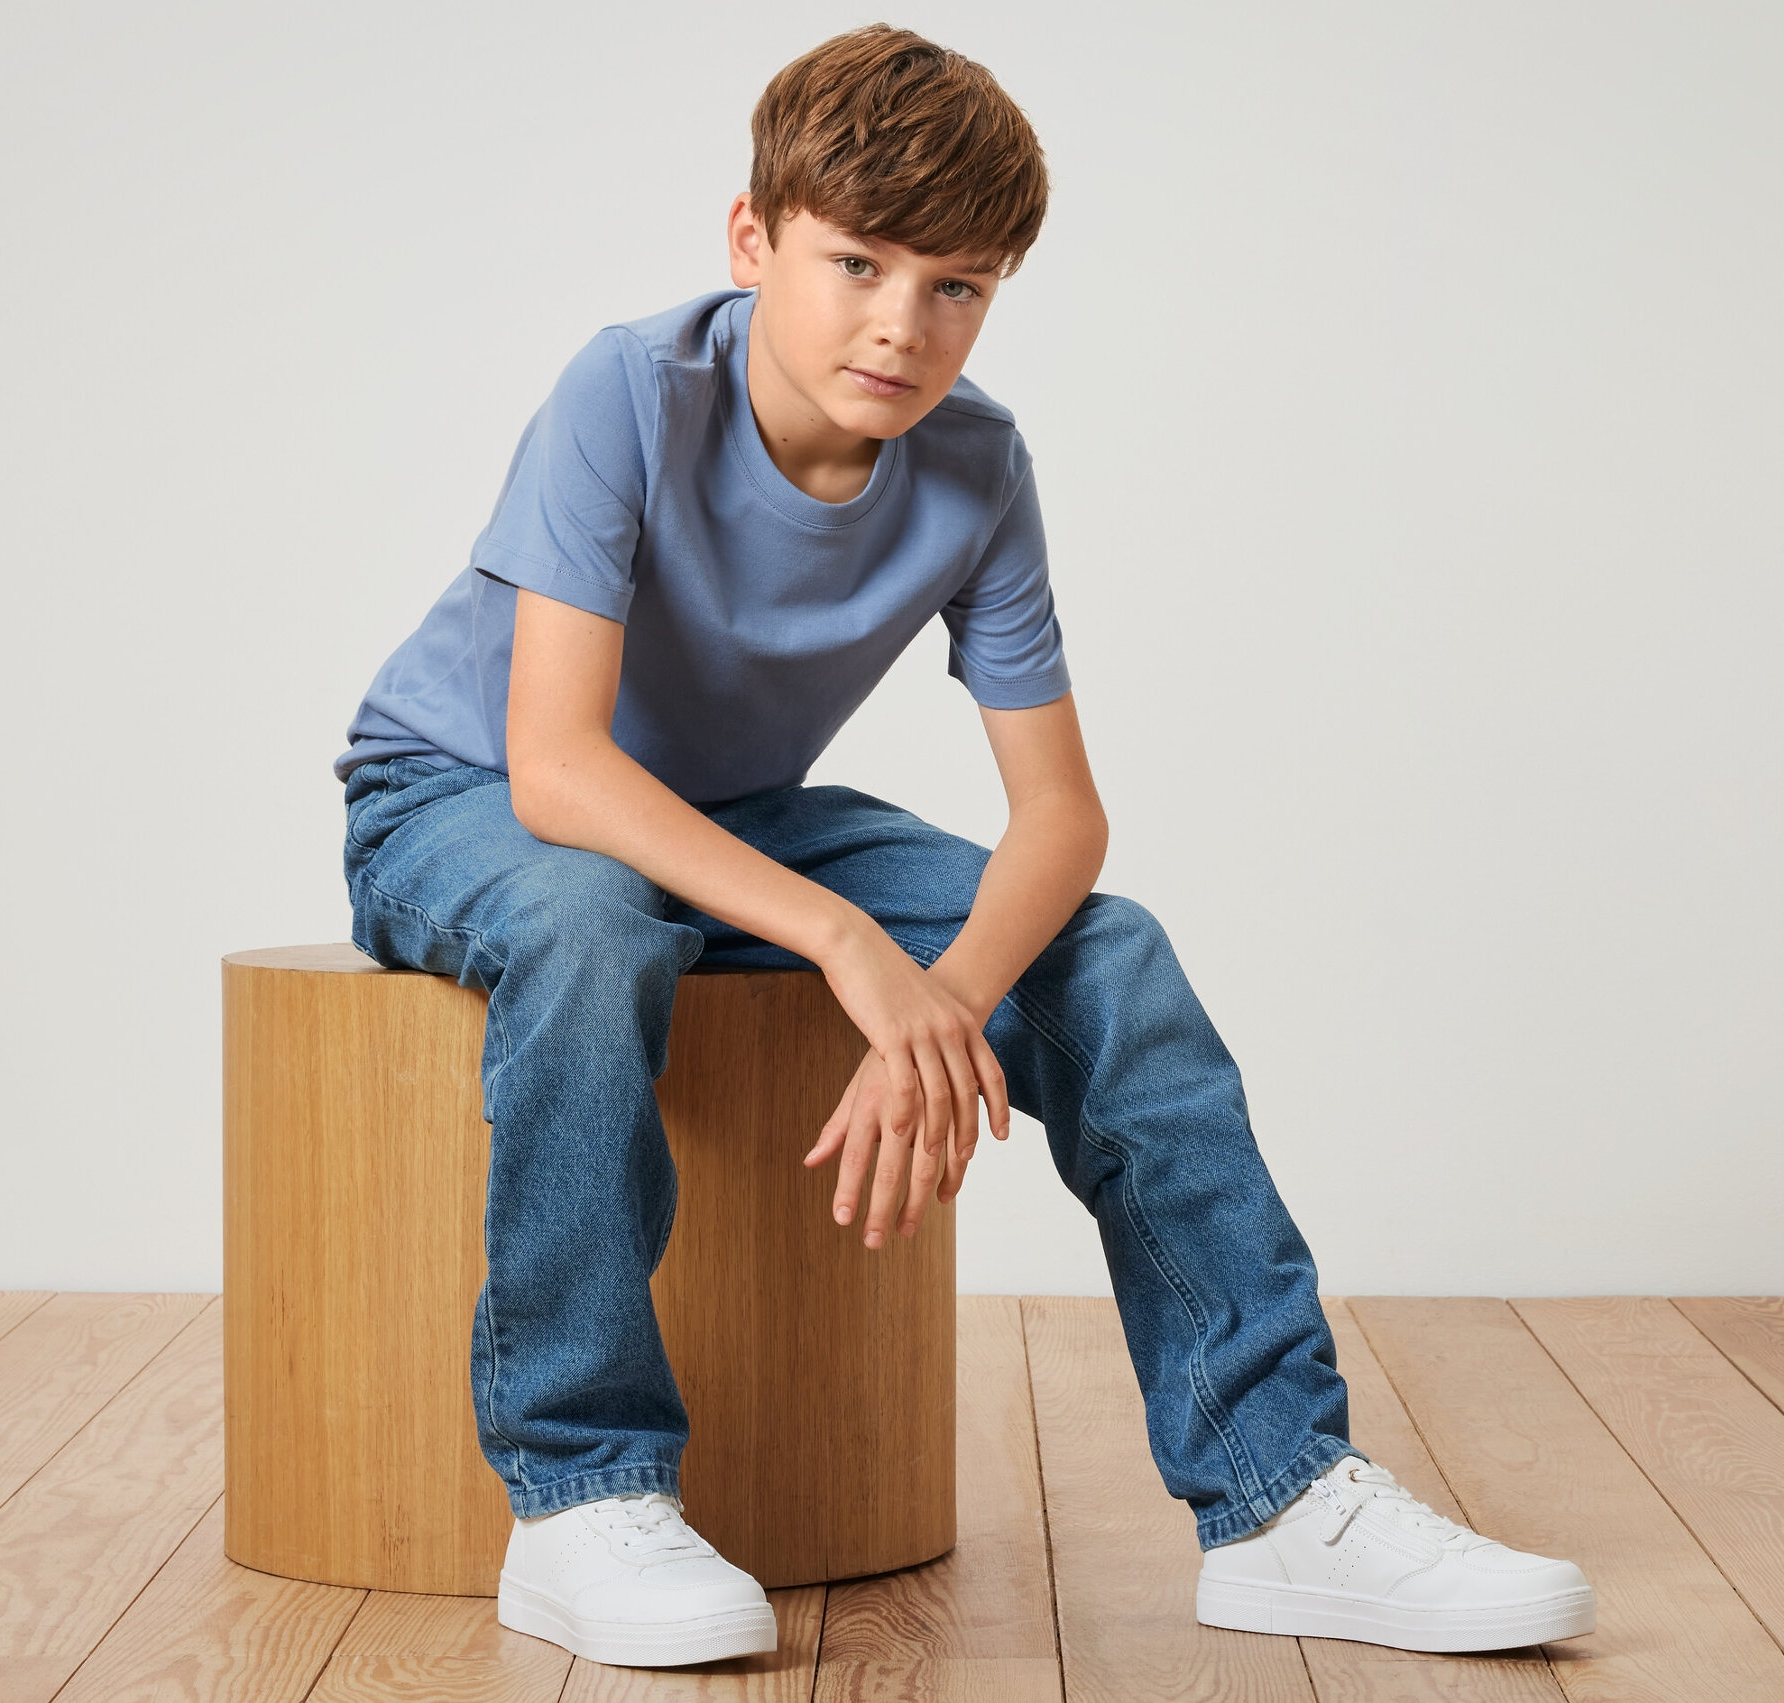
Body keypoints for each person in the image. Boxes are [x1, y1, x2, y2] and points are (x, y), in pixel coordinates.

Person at [336, 23, 1596, 1671]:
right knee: (586, 924)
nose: (899, 324)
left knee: (1109, 953)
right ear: (751, 239)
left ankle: (1278, 1495)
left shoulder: (979, 463)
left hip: (726, 818)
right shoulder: (629, 393)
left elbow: (1060, 817)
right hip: (466, 795)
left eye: (958, 286)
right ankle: (581, 1498)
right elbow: (559, 764)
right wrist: (860, 951)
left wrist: (956, 993)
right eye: (856, 261)